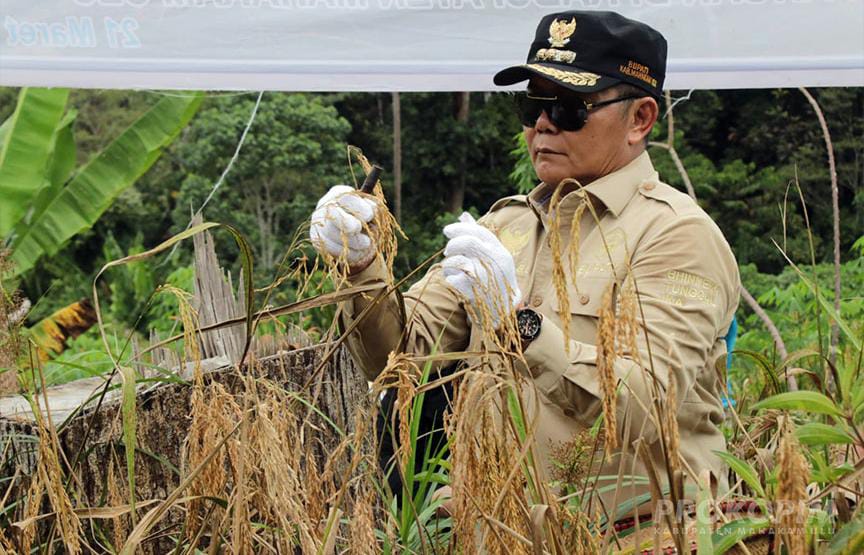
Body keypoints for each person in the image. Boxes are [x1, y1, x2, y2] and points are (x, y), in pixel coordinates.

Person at [309, 10, 739, 521]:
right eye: (532, 104)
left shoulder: (677, 236)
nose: (542, 123)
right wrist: (360, 267)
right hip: (500, 530)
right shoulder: (504, 227)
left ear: (640, 118)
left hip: (631, 536)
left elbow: (646, 405)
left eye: (570, 107)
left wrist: (519, 324)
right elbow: (401, 359)